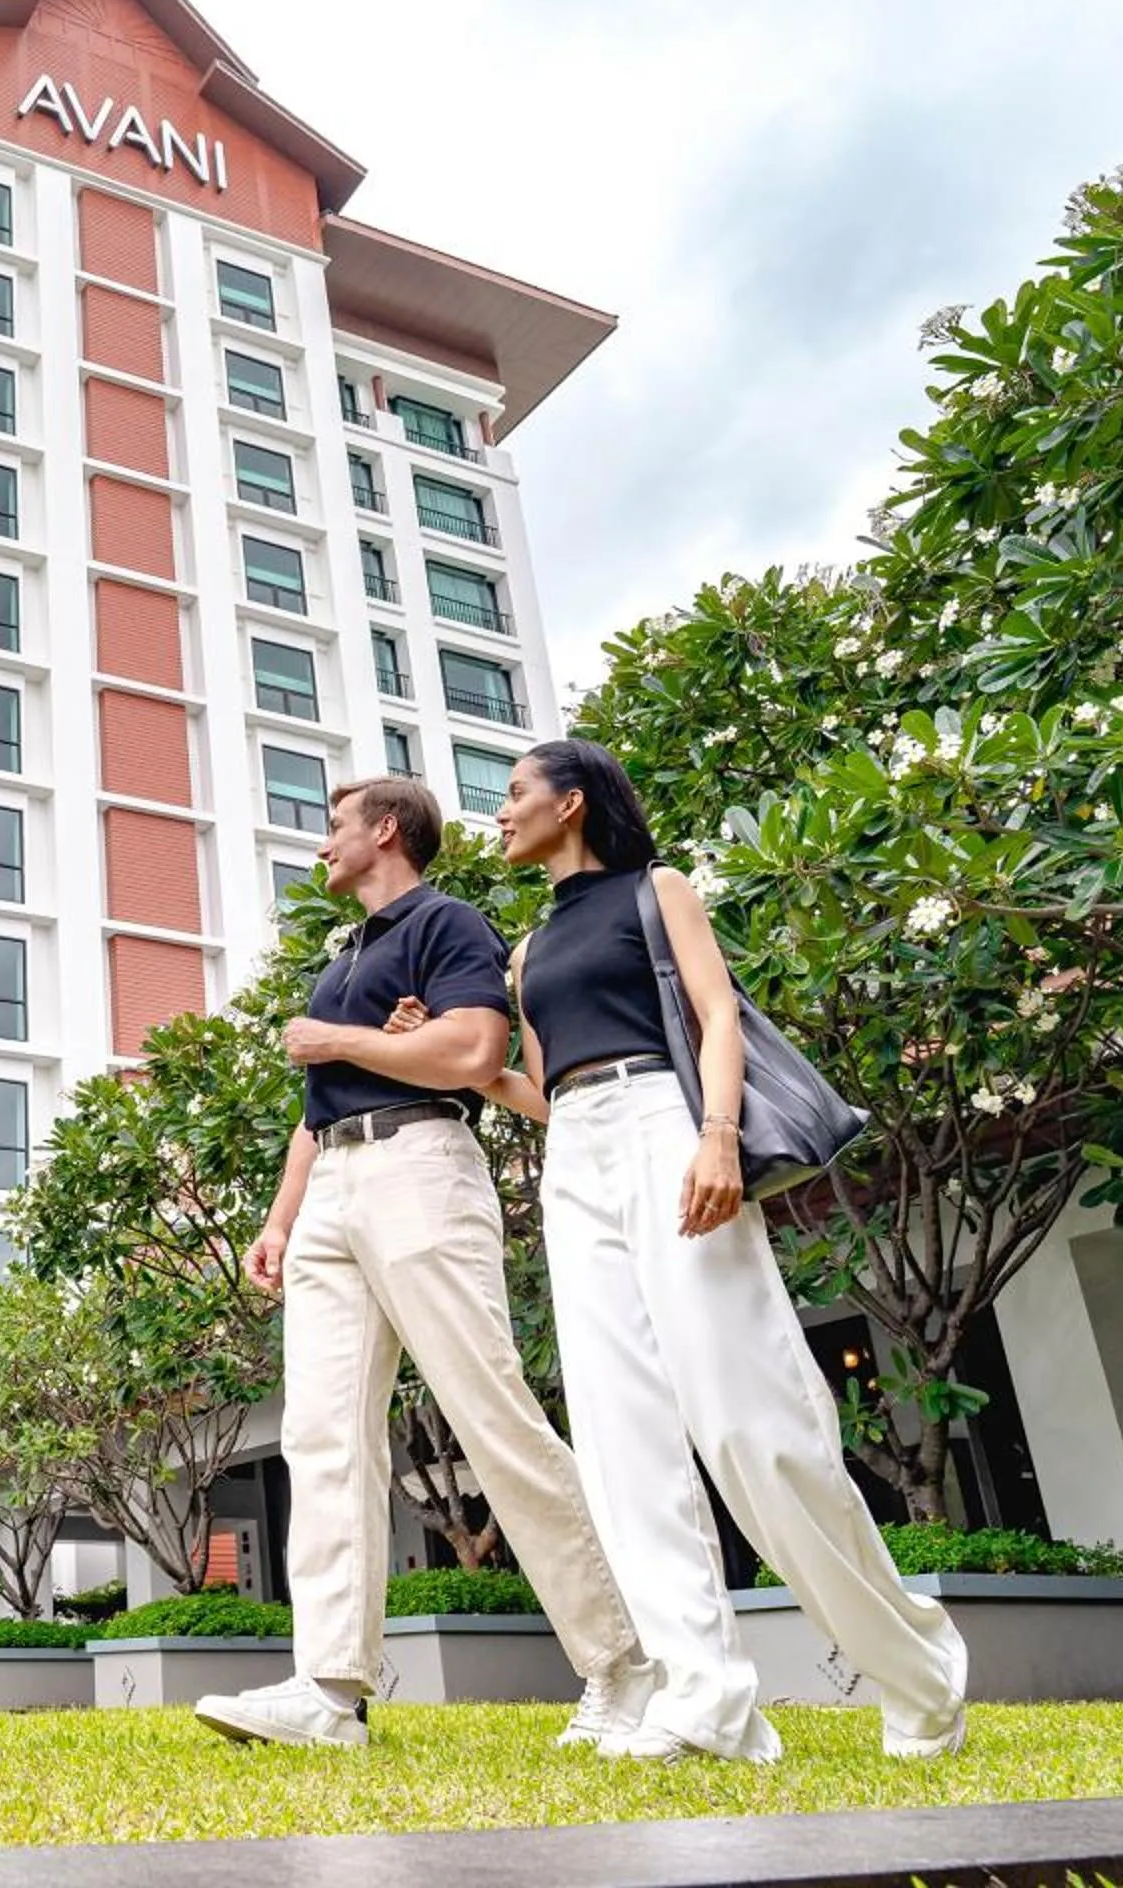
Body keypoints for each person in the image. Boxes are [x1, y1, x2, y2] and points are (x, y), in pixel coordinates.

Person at [388, 738, 967, 1763]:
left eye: (517, 793)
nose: (503, 812)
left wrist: (715, 1138)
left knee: (753, 1422)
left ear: (573, 802)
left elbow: (713, 1017)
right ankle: (708, 1695)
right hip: (575, 1155)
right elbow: (535, 1087)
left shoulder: (658, 890)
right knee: (621, 1439)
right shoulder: (525, 953)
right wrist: (453, 1056)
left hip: (669, 1124)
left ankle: (918, 1671)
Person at [191, 777, 654, 1751]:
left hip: (422, 1168)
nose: (323, 845)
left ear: (386, 831)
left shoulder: (448, 922)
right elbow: (320, 1104)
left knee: (489, 1413)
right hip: (334, 1191)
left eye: (334, 825)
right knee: (321, 1436)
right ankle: (330, 1690)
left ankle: (625, 1664)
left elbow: (477, 1047)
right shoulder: (347, 953)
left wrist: (343, 1038)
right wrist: (279, 1220)